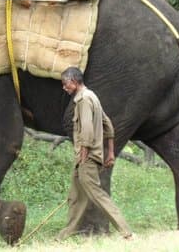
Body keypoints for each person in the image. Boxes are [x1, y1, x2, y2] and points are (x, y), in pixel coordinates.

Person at [57, 66, 133, 241]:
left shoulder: (83, 100)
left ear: (74, 81)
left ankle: (126, 232)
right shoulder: (93, 96)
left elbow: (87, 132)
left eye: (65, 84)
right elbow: (108, 125)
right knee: (76, 198)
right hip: (85, 157)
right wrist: (110, 153)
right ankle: (64, 235)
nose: (64, 87)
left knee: (98, 195)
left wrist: (83, 156)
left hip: (87, 158)